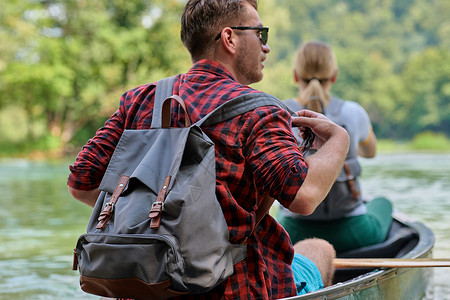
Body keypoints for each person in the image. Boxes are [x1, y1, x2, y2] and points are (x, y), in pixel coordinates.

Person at [67, 2, 349, 299]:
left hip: (146, 284)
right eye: (260, 34)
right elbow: (303, 197)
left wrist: (154, 225)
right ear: (230, 38)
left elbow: (80, 183)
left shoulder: (139, 100)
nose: (266, 48)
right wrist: (338, 140)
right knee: (320, 249)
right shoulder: (263, 112)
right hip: (235, 288)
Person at [277, 41, 393, 253]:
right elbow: (370, 152)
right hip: (352, 233)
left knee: (277, 213)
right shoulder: (353, 112)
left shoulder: (277, 112)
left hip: (294, 235)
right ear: (334, 76)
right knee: (383, 202)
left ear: (295, 75)